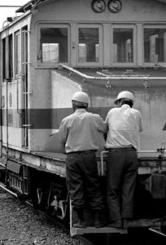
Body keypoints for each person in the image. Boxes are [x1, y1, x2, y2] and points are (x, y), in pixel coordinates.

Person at [57, 91, 106, 228]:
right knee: (93, 186)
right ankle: (97, 220)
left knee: (76, 187)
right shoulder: (94, 118)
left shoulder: (67, 120)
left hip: (73, 157)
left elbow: (61, 139)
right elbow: (105, 128)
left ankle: (82, 221)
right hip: (89, 156)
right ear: (87, 105)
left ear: (73, 104)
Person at [103, 91, 143, 228]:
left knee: (112, 188)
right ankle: (126, 220)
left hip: (116, 154)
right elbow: (139, 129)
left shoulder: (112, 112)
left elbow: (105, 129)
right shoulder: (136, 113)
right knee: (128, 188)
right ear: (131, 103)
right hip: (132, 154)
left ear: (120, 102)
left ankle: (116, 220)